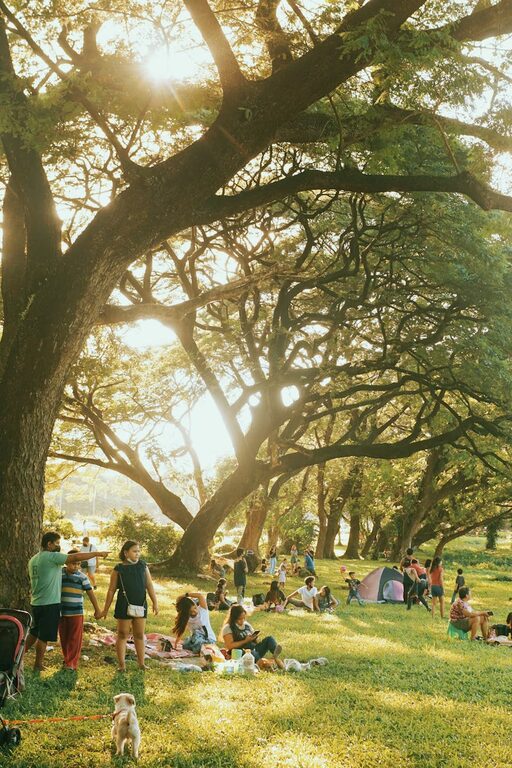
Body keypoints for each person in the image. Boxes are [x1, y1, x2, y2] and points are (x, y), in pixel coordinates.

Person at [26, 531, 109, 671]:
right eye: (57, 543)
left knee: (34, 632)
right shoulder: (51, 557)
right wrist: (97, 554)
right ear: (49, 544)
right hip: (49, 604)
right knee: (43, 636)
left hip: (36, 602)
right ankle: (38, 665)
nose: (59, 546)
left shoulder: (34, 559)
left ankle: (17, 657)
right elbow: (75, 556)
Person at [102, 540, 158, 672]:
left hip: (140, 604)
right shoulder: (118, 569)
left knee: (139, 634)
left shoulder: (143, 566)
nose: (137, 554)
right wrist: (105, 609)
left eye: (138, 551)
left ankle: (141, 664)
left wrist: (155, 602)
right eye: (134, 551)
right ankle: (122, 665)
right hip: (123, 605)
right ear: (126, 553)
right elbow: (111, 590)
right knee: (122, 634)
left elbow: (149, 585)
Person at [59, 549, 103, 671]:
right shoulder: (59, 574)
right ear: (67, 562)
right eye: (73, 563)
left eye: (78, 564)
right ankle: (67, 657)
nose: (76, 566)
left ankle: (71, 663)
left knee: (75, 638)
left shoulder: (82, 577)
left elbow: (90, 593)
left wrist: (97, 609)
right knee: (64, 637)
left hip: (76, 612)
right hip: (62, 612)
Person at [220, 604, 284, 668]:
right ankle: (271, 662)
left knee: (270, 639)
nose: (242, 621)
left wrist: (254, 638)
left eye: (244, 618)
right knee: (252, 653)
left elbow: (256, 642)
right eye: (240, 619)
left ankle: (275, 656)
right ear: (234, 618)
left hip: (254, 648)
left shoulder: (247, 625)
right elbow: (229, 646)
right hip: (241, 652)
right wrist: (245, 641)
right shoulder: (228, 628)